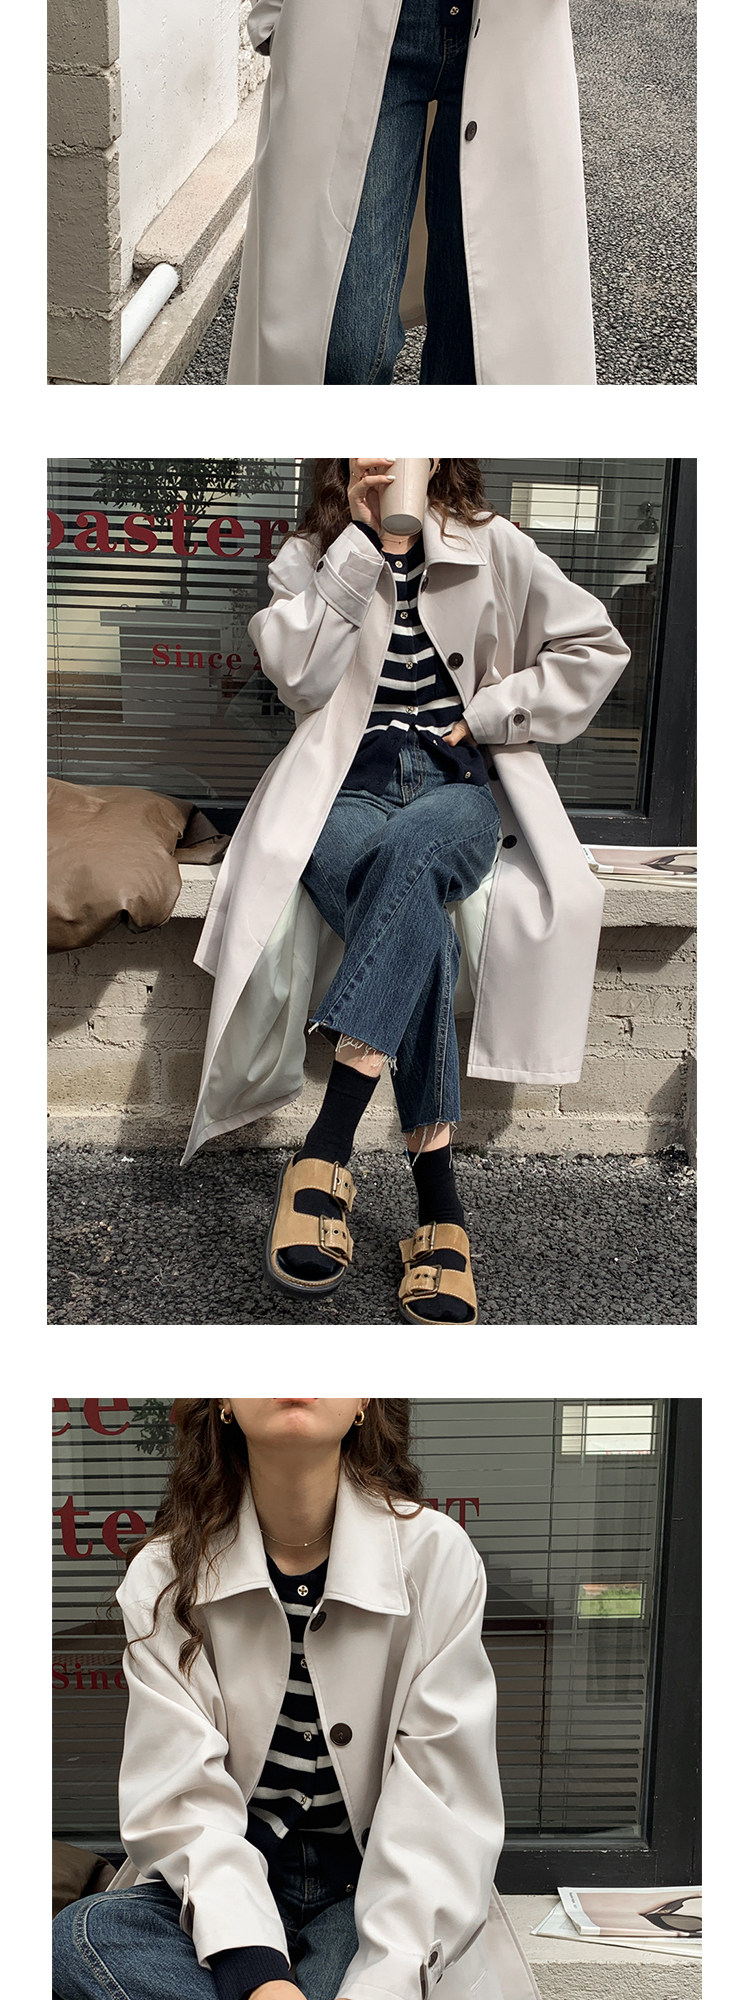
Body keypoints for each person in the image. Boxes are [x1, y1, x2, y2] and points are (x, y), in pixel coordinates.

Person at [182, 460, 630, 1325]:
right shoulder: (309, 556)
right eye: (364, 445)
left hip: (455, 788)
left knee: (416, 853)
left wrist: (493, 713)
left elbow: (596, 645)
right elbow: (298, 679)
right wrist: (358, 547)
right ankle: (437, 1206)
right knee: (413, 902)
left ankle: (327, 1148)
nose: (383, 458)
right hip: (340, 792)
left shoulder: (494, 545)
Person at [51, 1398, 541, 2000]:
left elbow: (441, 1800)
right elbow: (181, 1800)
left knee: (363, 1977)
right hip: (234, 1876)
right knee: (86, 1937)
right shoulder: (165, 1573)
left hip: (368, 1886)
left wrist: (383, 1979)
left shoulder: (434, 1556)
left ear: (363, 1402)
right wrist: (258, 1974)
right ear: (224, 1402)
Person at [228, 1, 596, 385]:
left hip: (510, 31)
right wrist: (275, 11)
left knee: (483, 341)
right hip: (349, 22)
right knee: (340, 342)